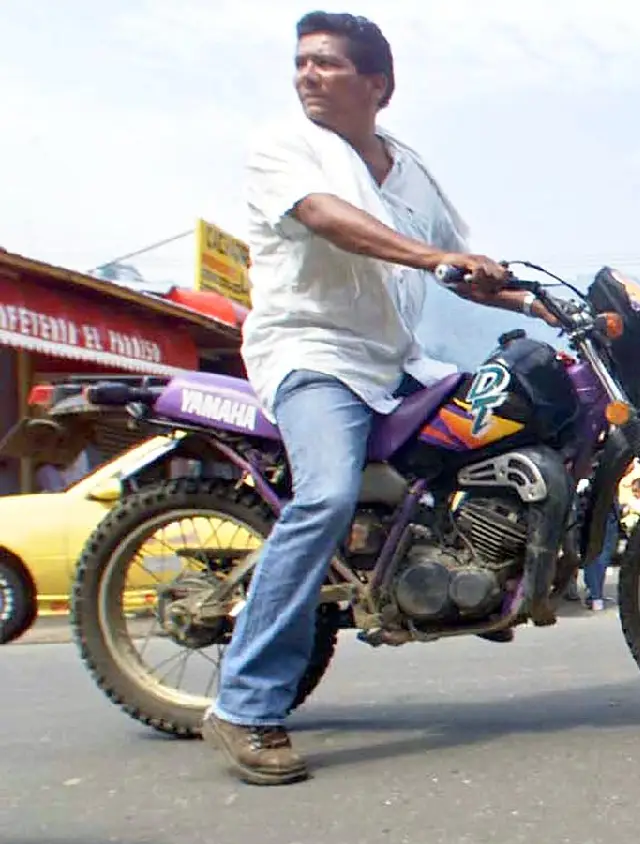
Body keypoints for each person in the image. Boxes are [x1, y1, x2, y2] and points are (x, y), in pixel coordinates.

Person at [202, 11, 559, 786]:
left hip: (395, 360)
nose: (306, 75)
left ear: (378, 85)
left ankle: (472, 585)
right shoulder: (284, 148)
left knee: (498, 425)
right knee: (325, 498)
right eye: (301, 63)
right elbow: (331, 221)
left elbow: (462, 267)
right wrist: (435, 257)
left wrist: (541, 308)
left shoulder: (412, 171)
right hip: (311, 356)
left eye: (325, 64)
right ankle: (245, 705)